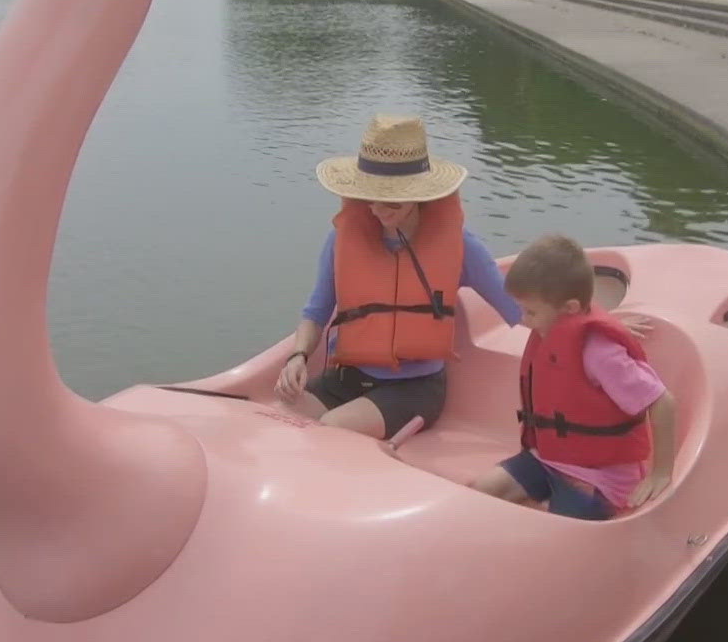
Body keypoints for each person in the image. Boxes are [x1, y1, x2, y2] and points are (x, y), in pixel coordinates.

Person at [274, 114, 523, 440]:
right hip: (347, 380)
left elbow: (519, 308)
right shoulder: (342, 239)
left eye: (391, 197)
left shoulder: (461, 245)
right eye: (371, 195)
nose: (377, 208)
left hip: (413, 389)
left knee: (332, 430)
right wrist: (298, 356)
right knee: (280, 416)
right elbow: (315, 312)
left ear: (419, 193)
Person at [468, 234, 678, 521]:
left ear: (569, 309)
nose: (523, 319)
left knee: (558, 526)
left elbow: (663, 402)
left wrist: (661, 473)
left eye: (530, 312)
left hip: (600, 477)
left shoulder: (602, 355)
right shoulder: (551, 329)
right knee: (481, 491)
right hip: (547, 458)